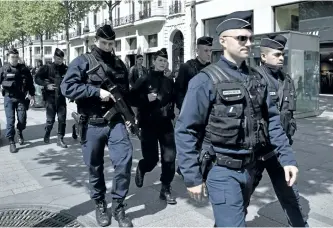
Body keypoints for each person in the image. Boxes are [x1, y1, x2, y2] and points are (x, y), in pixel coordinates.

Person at [175, 11, 299, 227]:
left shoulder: (256, 78)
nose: (248, 43)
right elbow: (185, 130)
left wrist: (287, 158)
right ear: (223, 41)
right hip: (222, 170)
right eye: (241, 38)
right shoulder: (205, 81)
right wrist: (192, 176)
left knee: (233, 219)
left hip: (251, 169)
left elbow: (273, 122)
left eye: (250, 38)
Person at [60, 24, 133, 227]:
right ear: (96, 41)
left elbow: (126, 93)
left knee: (124, 161)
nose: (108, 47)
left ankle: (118, 205)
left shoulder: (119, 64)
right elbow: (67, 87)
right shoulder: (83, 62)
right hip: (91, 123)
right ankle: (100, 202)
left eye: (111, 43)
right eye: (104, 43)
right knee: (94, 166)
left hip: (115, 120)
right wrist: (95, 91)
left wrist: (131, 115)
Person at [250, 34, 308, 227]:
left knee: (291, 196)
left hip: (279, 150)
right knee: (241, 197)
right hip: (256, 151)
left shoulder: (286, 80)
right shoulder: (254, 78)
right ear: (263, 56)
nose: (281, 57)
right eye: (276, 54)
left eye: (282, 54)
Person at [131, 48, 177, 205]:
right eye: (160, 60)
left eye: (165, 61)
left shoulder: (169, 81)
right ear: (154, 62)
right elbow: (131, 99)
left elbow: (177, 98)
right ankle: (142, 168)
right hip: (148, 124)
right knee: (151, 159)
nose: (163, 63)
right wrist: (145, 98)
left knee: (169, 158)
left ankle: (166, 188)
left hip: (166, 125)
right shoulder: (144, 80)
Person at [0, 48, 35, 153]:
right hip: (9, 98)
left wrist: (32, 96)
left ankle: (20, 130)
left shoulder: (24, 69)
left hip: (21, 98)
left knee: (22, 120)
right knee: (10, 121)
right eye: (12, 57)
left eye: (16, 57)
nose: (14, 59)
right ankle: (11, 141)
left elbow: (30, 83)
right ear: (8, 57)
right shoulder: (3, 69)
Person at [35, 48, 68, 148]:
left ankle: (60, 139)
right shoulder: (47, 67)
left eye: (61, 59)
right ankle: (47, 132)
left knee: (62, 120)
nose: (60, 61)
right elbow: (37, 78)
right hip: (50, 98)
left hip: (61, 98)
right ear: (54, 57)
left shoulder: (66, 69)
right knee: (50, 120)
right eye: (58, 58)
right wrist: (46, 85)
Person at [175, 36, 213, 110]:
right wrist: (184, 109)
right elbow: (178, 91)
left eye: (210, 51)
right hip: (191, 110)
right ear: (197, 51)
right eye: (206, 51)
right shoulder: (187, 67)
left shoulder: (212, 68)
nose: (209, 54)